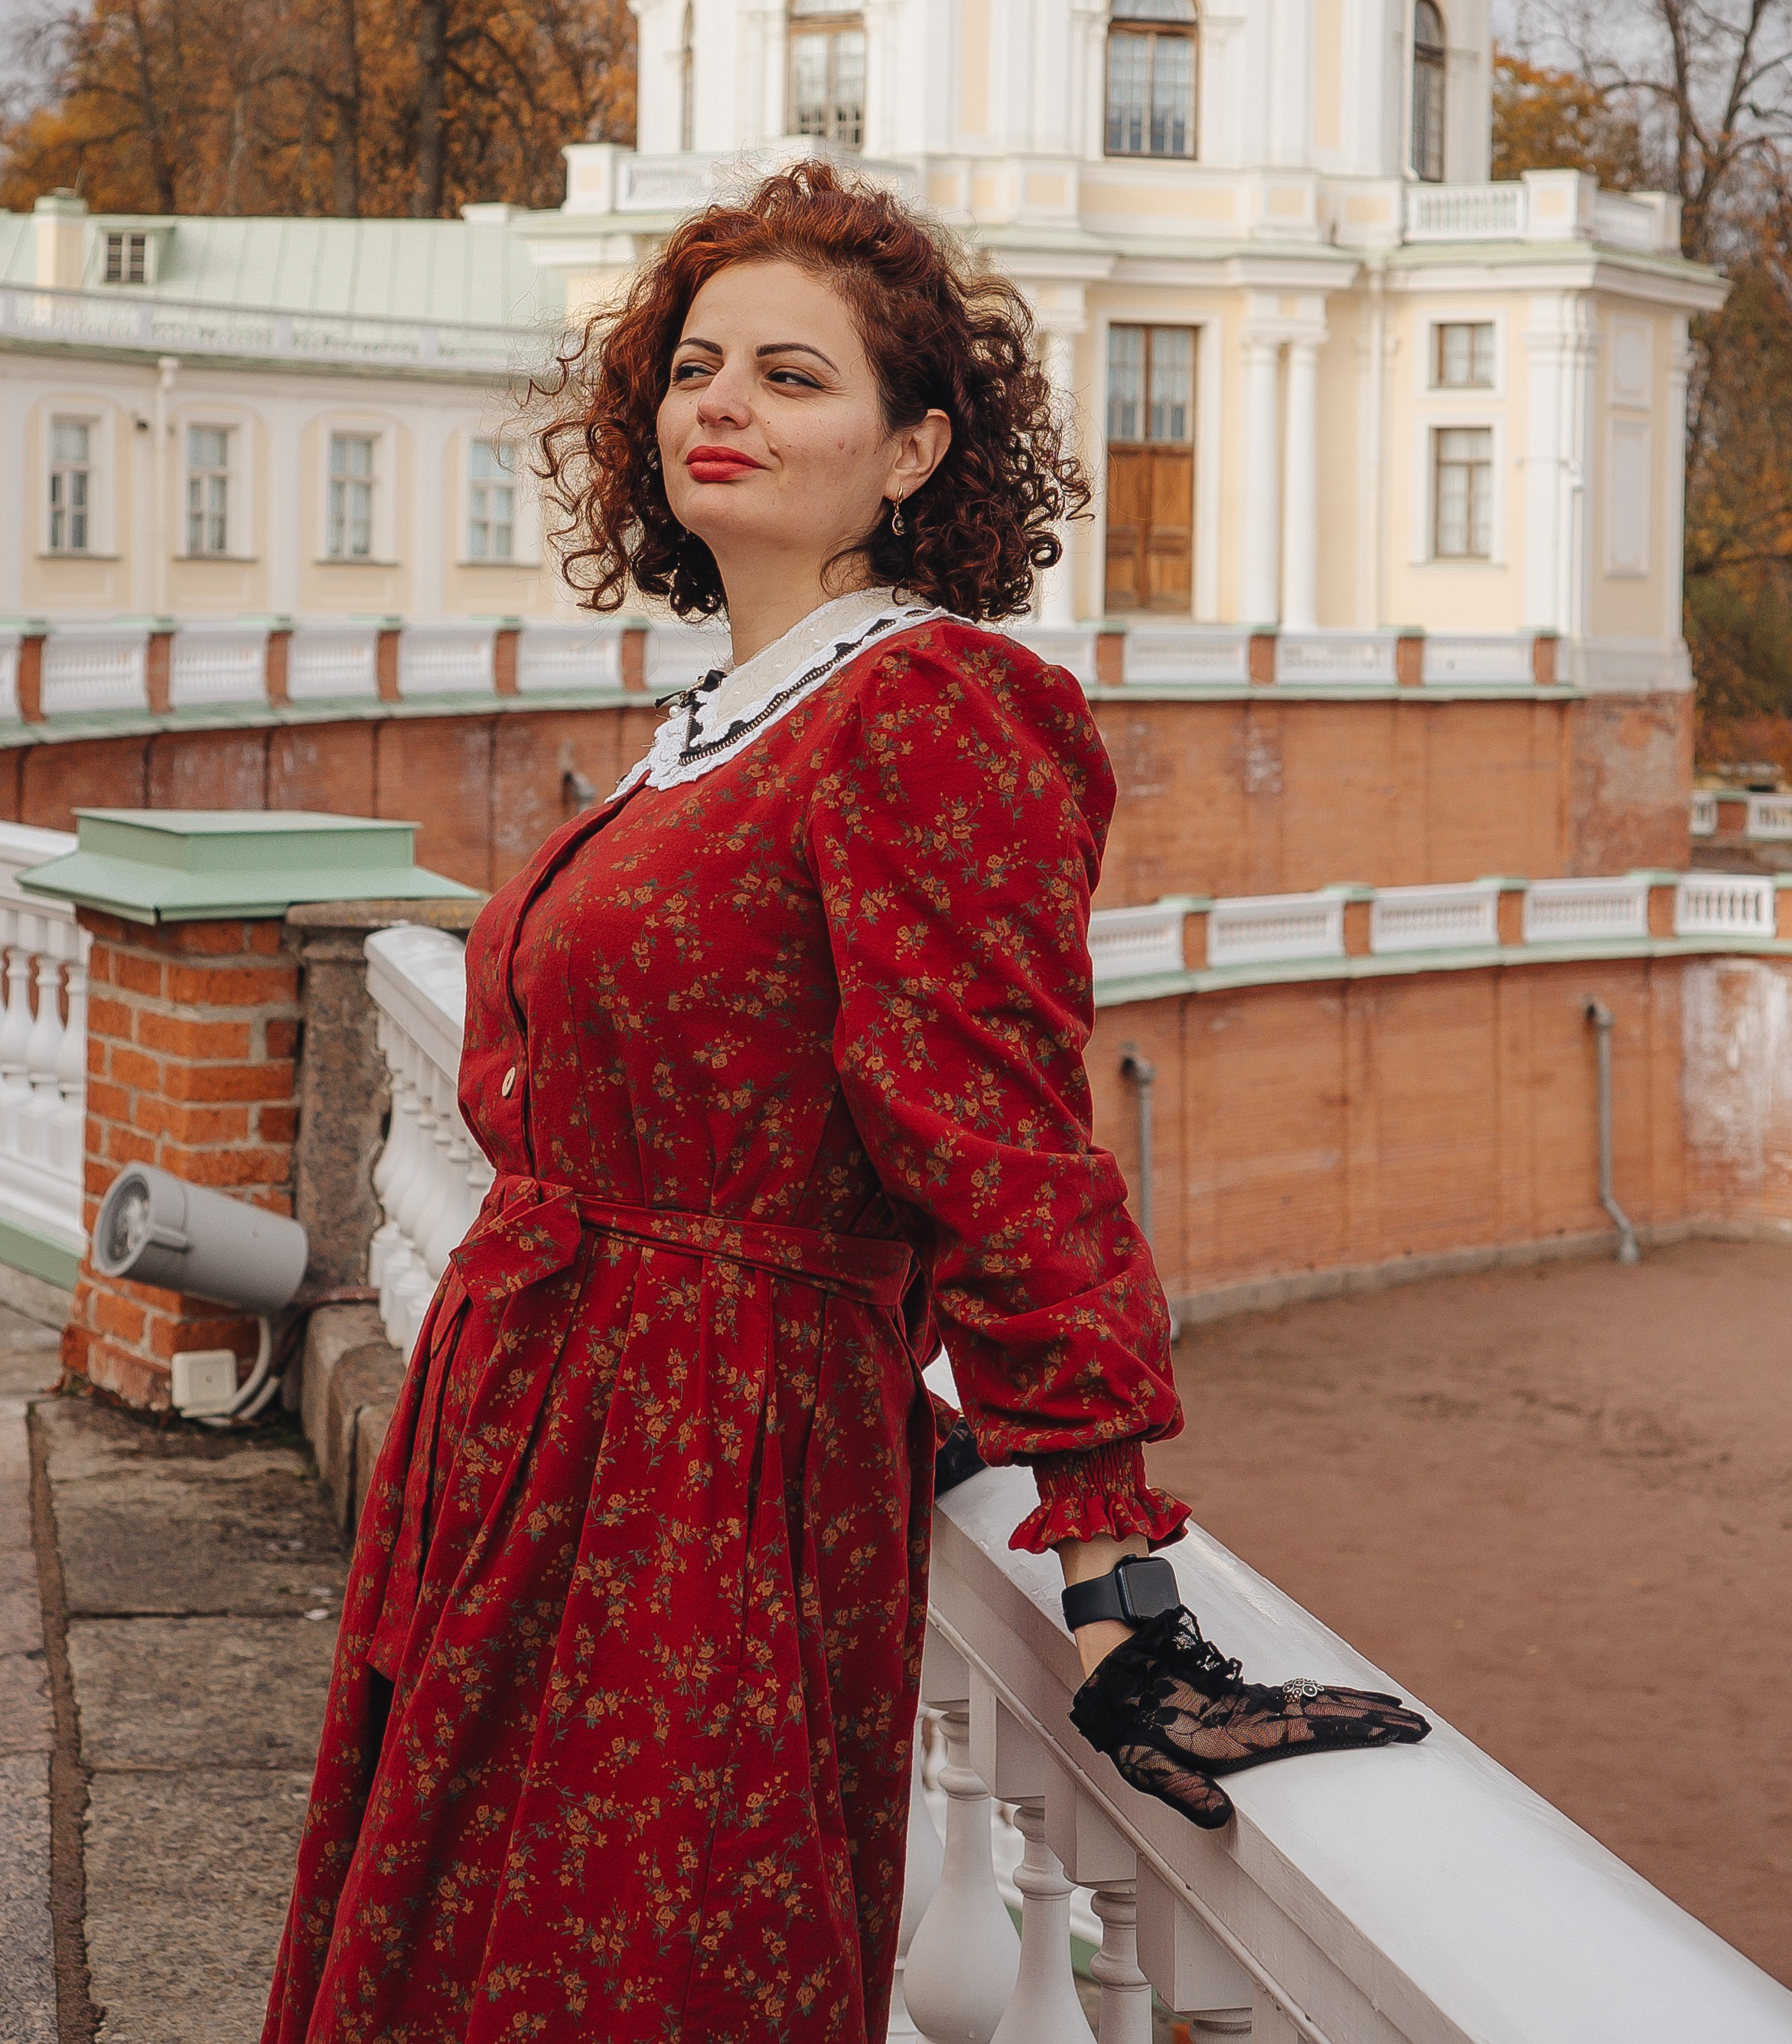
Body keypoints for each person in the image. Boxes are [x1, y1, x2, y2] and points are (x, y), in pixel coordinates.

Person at [260, 161, 1425, 2044]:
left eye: (791, 377)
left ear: (912, 454)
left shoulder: (927, 706)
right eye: (695, 365)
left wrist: (1114, 1577)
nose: (717, 403)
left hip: (700, 1476)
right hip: (547, 1432)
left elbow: (996, 1137)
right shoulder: (719, 721)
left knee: (630, 1967)